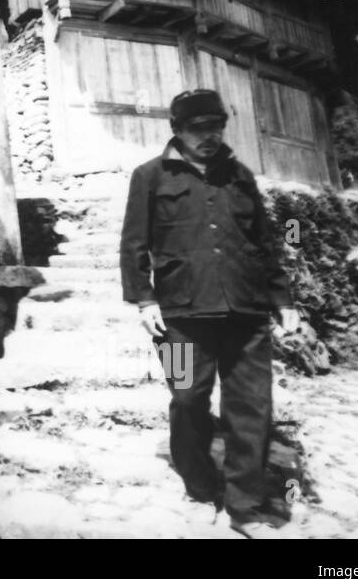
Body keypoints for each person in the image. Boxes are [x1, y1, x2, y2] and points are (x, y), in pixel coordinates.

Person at [119, 88, 301, 538]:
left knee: (252, 409)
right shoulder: (150, 176)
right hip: (179, 319)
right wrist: (144, 299)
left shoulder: (239, 177)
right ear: (176, 131)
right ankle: (199, 488)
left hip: (246, 316)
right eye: (199, 130)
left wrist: (282, 299)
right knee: (186, 401)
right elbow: (133, 244)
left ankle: (246, 507)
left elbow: (265, 242)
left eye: (216, 128)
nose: (210, 137)